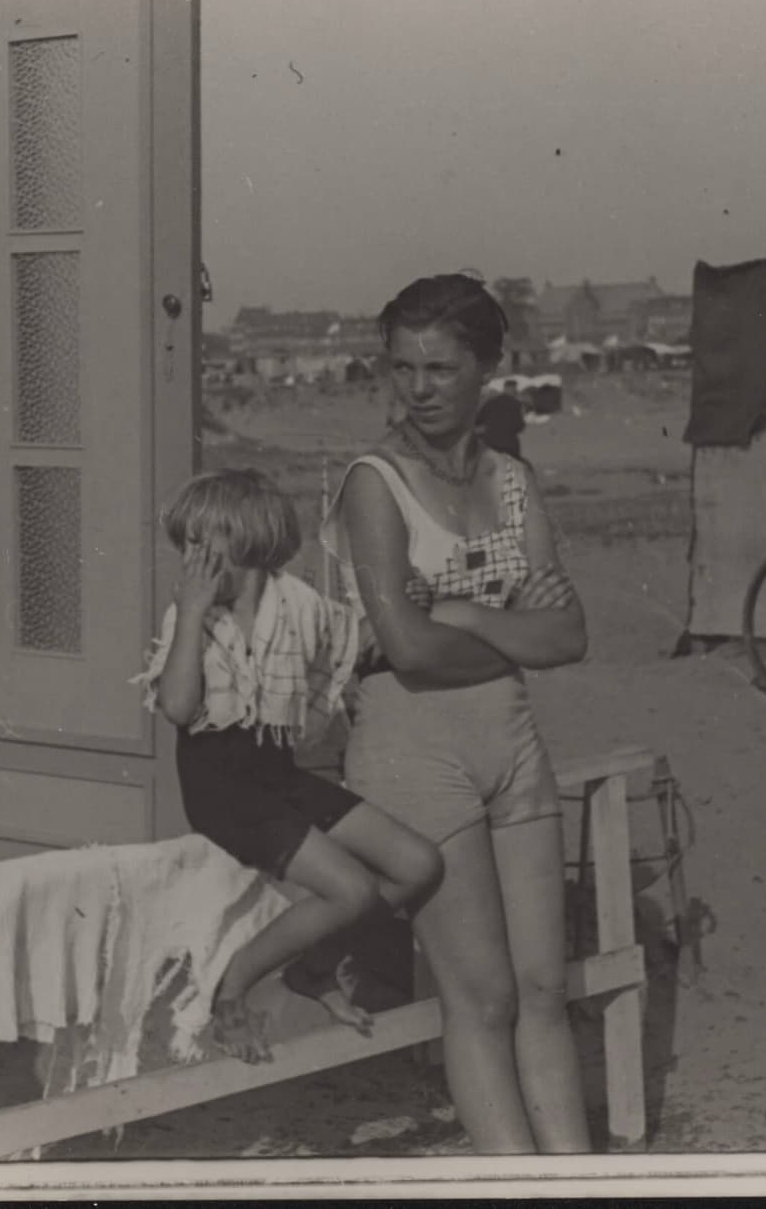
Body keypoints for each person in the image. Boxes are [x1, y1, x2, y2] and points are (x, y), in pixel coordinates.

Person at [319, 274, 592, 1154]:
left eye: (440, 368)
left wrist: (467, 616)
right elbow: (409, 651)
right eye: (402, 368)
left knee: (546, 989)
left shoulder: (512, 482)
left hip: (510, 740)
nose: (418, 388)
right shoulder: (374, 485)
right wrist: (513, 626)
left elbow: (571, 634)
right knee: (483, 998)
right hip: (412, 751)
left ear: (489, 369)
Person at [134, 469, 444, 1063]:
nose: (191, 560)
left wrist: (406, 603)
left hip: (276, 776)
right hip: (221, 788)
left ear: (248, 540)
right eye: (186, 548)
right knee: (350, 890)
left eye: (203, 546)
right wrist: (192, 614)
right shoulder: (193, 616)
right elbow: (176, 706)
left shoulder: (296, 605)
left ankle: (315, 970)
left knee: (417, 863)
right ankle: (232, 988)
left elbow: (353, 642)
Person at [475, 388, 527, 460]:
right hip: (509, 445)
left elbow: (477, 422)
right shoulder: (517, 404)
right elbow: (519, 426)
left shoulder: (489, 403)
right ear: (515, 392)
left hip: (490, 443)